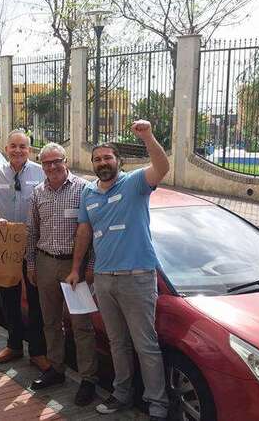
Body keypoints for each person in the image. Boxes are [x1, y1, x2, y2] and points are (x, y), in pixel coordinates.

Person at [70, 120, 170, 420]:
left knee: (145, 345)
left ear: (118, 161)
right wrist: (76, 268)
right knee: (117, 342)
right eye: (98, 159)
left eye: (108, 157)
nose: (103, 162)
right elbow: (84, 233)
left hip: (137, 278)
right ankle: (122, 394)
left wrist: (148, 137)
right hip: (103, 278)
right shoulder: (89, 194)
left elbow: (162, 167)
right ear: (93, 164)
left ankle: (157, 405)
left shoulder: (136, 183)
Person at [25, 143, 97, 406]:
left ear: (66, 161)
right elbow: (32, 232)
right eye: (47, 163)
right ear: (41, 165)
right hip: (45, 263)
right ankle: (56, 369)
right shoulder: (37, 193)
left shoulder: (84, 189)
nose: (52, 167)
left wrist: (90, 266)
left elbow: (94, 231)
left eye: (57, 161)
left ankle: (88, 378)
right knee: (51, 321)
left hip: (74, 267)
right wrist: (31, 265)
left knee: (81, 325)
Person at [0, 129, 49, 370]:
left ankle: (37, 351)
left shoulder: (40, 173)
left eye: (22, 146)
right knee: (8, 298)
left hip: (33, 245)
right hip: (4, 246)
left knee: (36, 301)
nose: (18, 150)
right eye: (13, 146)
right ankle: (14, 345)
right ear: (6, 149)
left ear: (30, 150)